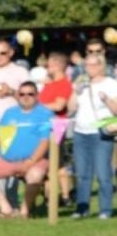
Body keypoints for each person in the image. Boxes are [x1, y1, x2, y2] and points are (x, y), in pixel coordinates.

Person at [0, 80, 52, 218]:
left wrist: (30, 161)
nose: (26, 97)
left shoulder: (44, 114)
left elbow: (44, 142)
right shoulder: (10, 113)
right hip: (7, 160)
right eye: (22, 94)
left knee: (34, 176)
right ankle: (6, 209)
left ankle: (24, 211)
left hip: (35, 160)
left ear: (37, 95)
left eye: (30, 94)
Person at [68, 51, 117, 219]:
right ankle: (82, 208)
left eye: (92, 65)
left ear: (101, 66)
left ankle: (105, 209)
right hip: (81, 133)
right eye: (86, 65)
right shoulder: (81, 83)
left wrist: (106, 100)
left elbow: (116, 110)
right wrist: (75, 91)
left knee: (103, 174)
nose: (88, 68)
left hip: (101, 133)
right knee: (82, 174)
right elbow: (70, 109)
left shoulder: (111, 84)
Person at [38, 52, 74, 207]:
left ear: (59, 66)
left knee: (57, 163)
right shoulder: (49, 84)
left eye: (50, 65)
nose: (47, 67)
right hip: (44, 126)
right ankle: (49, 197)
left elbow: (59, 105)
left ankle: (65, 196)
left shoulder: (63, 84)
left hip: (57, 125)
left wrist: (37, 107)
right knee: (47, 164)